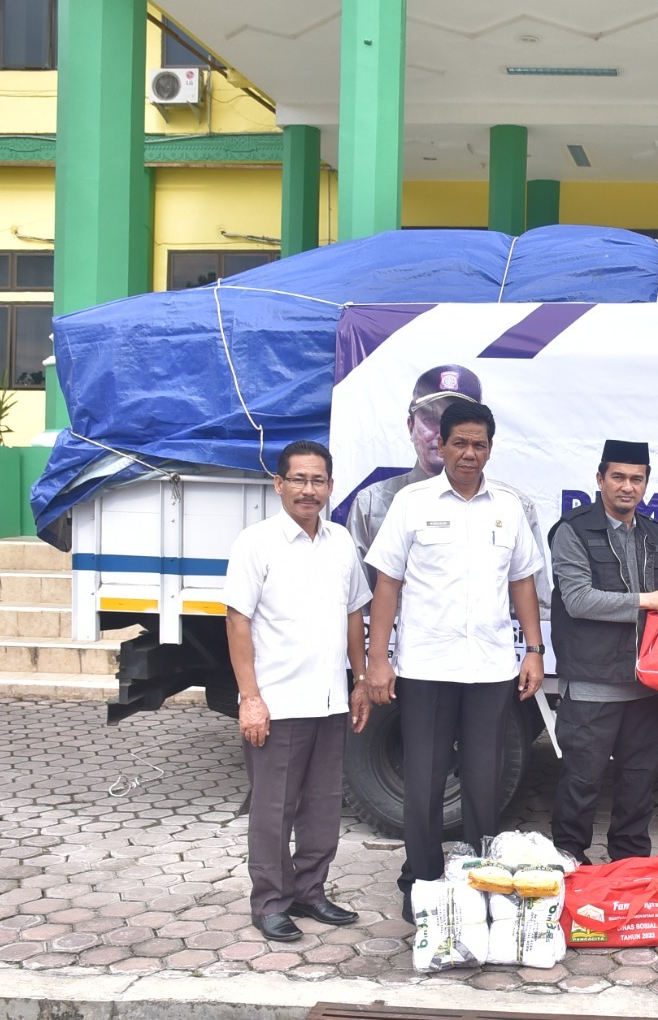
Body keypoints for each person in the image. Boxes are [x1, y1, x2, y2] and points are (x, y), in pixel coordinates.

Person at [362, 400, 546, 921]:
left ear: (491, 448)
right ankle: (420, 880)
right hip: (426, 666)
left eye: (479, 444)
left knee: (485, 780)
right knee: (424, 779)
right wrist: (379, 659)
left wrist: (533, 649)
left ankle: (478, 878)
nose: (470, 453)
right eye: (460, 443)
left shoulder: (507, 507)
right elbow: (387, 584)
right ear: (439, 446)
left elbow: (523, 581)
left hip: (490, 668)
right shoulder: (412, 503)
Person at [221, 440, 374, 942]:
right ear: (279, 484)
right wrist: (250, 698)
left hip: (330, 701)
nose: (309, 491)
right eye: (299, 480)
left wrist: (360, 680)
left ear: (331, 487)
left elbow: (355, 613)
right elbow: (238, 621)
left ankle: (310, 891)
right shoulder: (256, 543)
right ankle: (269, 901)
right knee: (273, 809)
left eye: (318, 481)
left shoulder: (341, 543)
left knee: (323, 805)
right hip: (278, 703)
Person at [548, 439, 658, 864]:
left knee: (638, 785)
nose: (628, 487)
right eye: (619, 477)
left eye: (637, 479)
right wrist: (647, 601)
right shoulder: (571, 530)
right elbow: (578, 600)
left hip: (646, 683)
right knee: (580, 783)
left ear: (646, 484)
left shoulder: (653, 534)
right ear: (600, 478)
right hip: (590, 686)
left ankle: (629, 869)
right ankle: (569, 864)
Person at [347, 363, 483, 563]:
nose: (442, 434)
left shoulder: (510, 508)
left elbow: (527, 589)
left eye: (456, 423)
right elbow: (358, 592)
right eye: (431, 419)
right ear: (411, 426)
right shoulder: (371, 505)